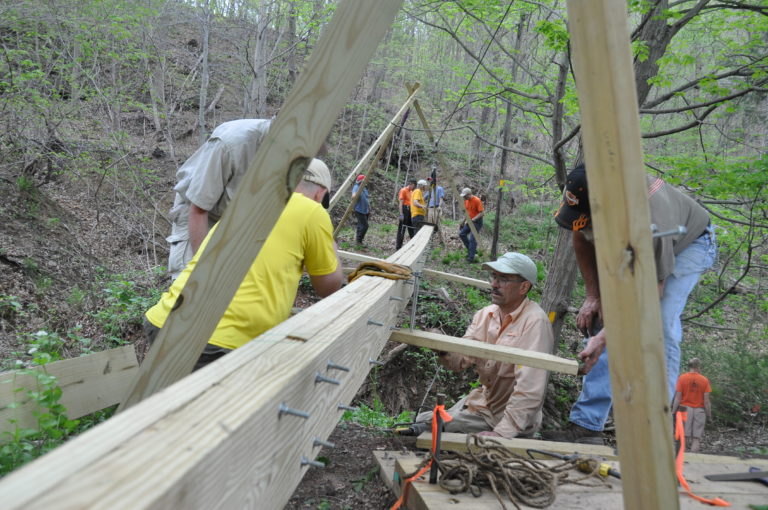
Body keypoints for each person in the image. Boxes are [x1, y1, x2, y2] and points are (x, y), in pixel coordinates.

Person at [543, 164, 717, 444]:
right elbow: (580, 236)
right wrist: (594, 297)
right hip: (629, 235)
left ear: (606, 208)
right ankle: (587, 425)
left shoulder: (652, 224)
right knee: (605, 317)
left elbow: (648, 298)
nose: (583, 223)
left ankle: (656, 429)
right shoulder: (593, 197)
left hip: (690, 244)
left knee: (659, 323)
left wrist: (603, 338)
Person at [144, 158, 345, 369]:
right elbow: (328, 286)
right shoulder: (312, 211)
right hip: (217, 341)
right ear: (320, 193)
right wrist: (330, 246)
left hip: (163, 322)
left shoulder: (248, 203)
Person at [413, 252, 553, 439]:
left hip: (506, 419)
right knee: (423, 421)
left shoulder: (535, 322)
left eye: (503, 279)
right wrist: (442, 346)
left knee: (430, 429)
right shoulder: (486, 315)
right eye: (494, 277)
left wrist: (502, 433)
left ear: (524, 287)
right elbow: (460, 361)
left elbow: (530, 389)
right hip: (483, 404)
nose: (494, 284)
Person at [167, 118, 272, 279]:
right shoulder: (232, 143)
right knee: (190, 284)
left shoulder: (298, 151)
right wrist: (201, 272)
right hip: (200, 215)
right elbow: (198, 209)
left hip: (237, 220)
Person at [671, 358, 712, 452]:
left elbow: (677, 398)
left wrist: (673, 412)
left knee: (684, 436)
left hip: (684, 409)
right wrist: (709, 415)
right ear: (698, 366)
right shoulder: (705, 380)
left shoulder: (682, 378)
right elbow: (706, 401)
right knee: (696, 438)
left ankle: (684, 460)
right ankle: (694, 458)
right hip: (699, 410)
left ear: (689, 366)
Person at [459, 187, 484, 263]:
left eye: (465, 196)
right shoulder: (466, 201)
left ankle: (471, 258)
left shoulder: (477, 200)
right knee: (462, 234)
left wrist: (474, 219)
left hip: (477, 222)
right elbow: (467, 212)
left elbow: (482, 213)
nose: (464, 197)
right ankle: (472, 250)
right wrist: (463, 222)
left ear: (469, 194)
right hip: (469, 221)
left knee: (473, 239)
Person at [396, 179, 416, 249]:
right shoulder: (403, 190)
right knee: (402, 229)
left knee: (411, 229)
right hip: (405, 210)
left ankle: (414, 245)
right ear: (411, 184)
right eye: (413, 185)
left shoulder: (411, 192)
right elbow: (400, 203)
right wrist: (401, 214)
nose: (413, 187)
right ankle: (398, 247)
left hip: (410, 211)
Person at [351, 174, 370, 247]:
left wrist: (369, 208)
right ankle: (359, 240)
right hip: (359, 209)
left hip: (365, 210)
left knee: (360, 225)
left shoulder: (364, 188)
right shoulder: (356, 187)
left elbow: (366, 198)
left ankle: (357, 240)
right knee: (365, 226)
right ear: (361, 181)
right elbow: (353, 196)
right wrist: (355, 195)